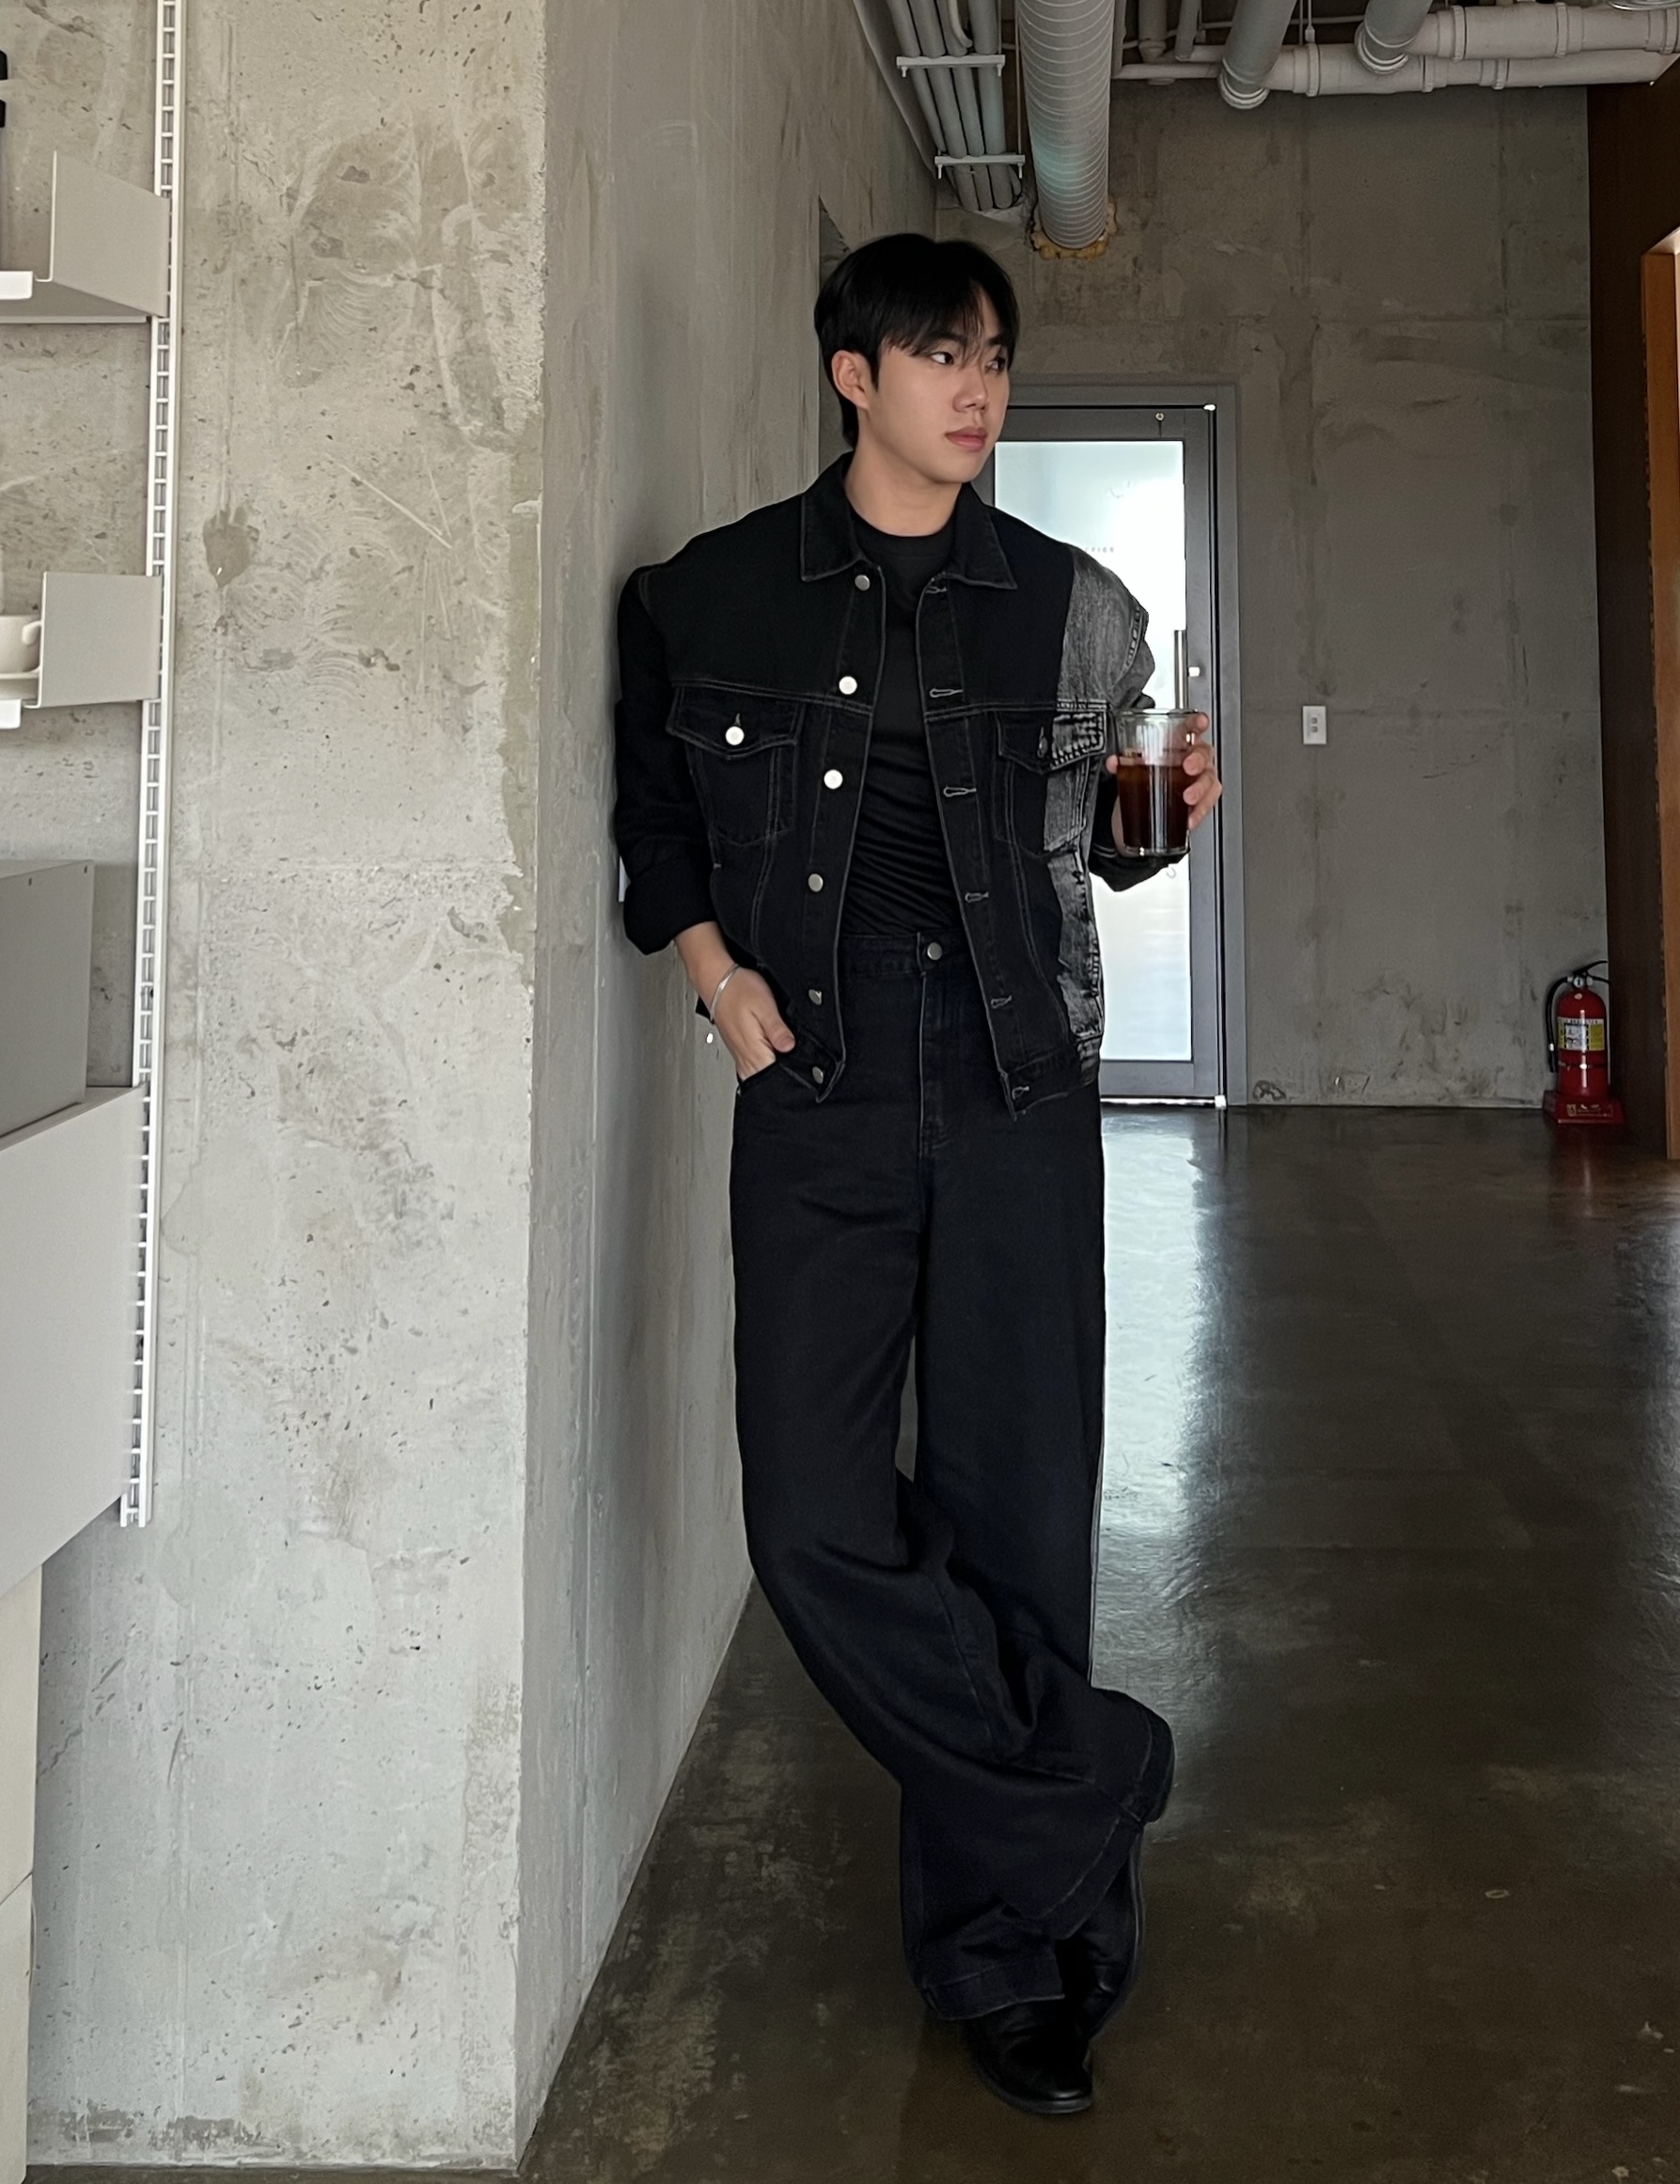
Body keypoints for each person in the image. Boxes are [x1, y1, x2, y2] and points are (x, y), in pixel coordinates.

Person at [612, 231, 1221, 2118]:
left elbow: (1098, 847)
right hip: (817, 1077)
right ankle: (1087, 1777)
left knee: (1016, 1511)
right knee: (811, 1517)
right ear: (852, 375)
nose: (978, 389)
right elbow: (655, 824)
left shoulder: (1077, 607)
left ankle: (1019, 1960)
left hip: (1020, 1077)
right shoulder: (709, 594)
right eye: (942, 354)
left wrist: (1166, 823)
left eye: (996, 360)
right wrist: (718, 983)